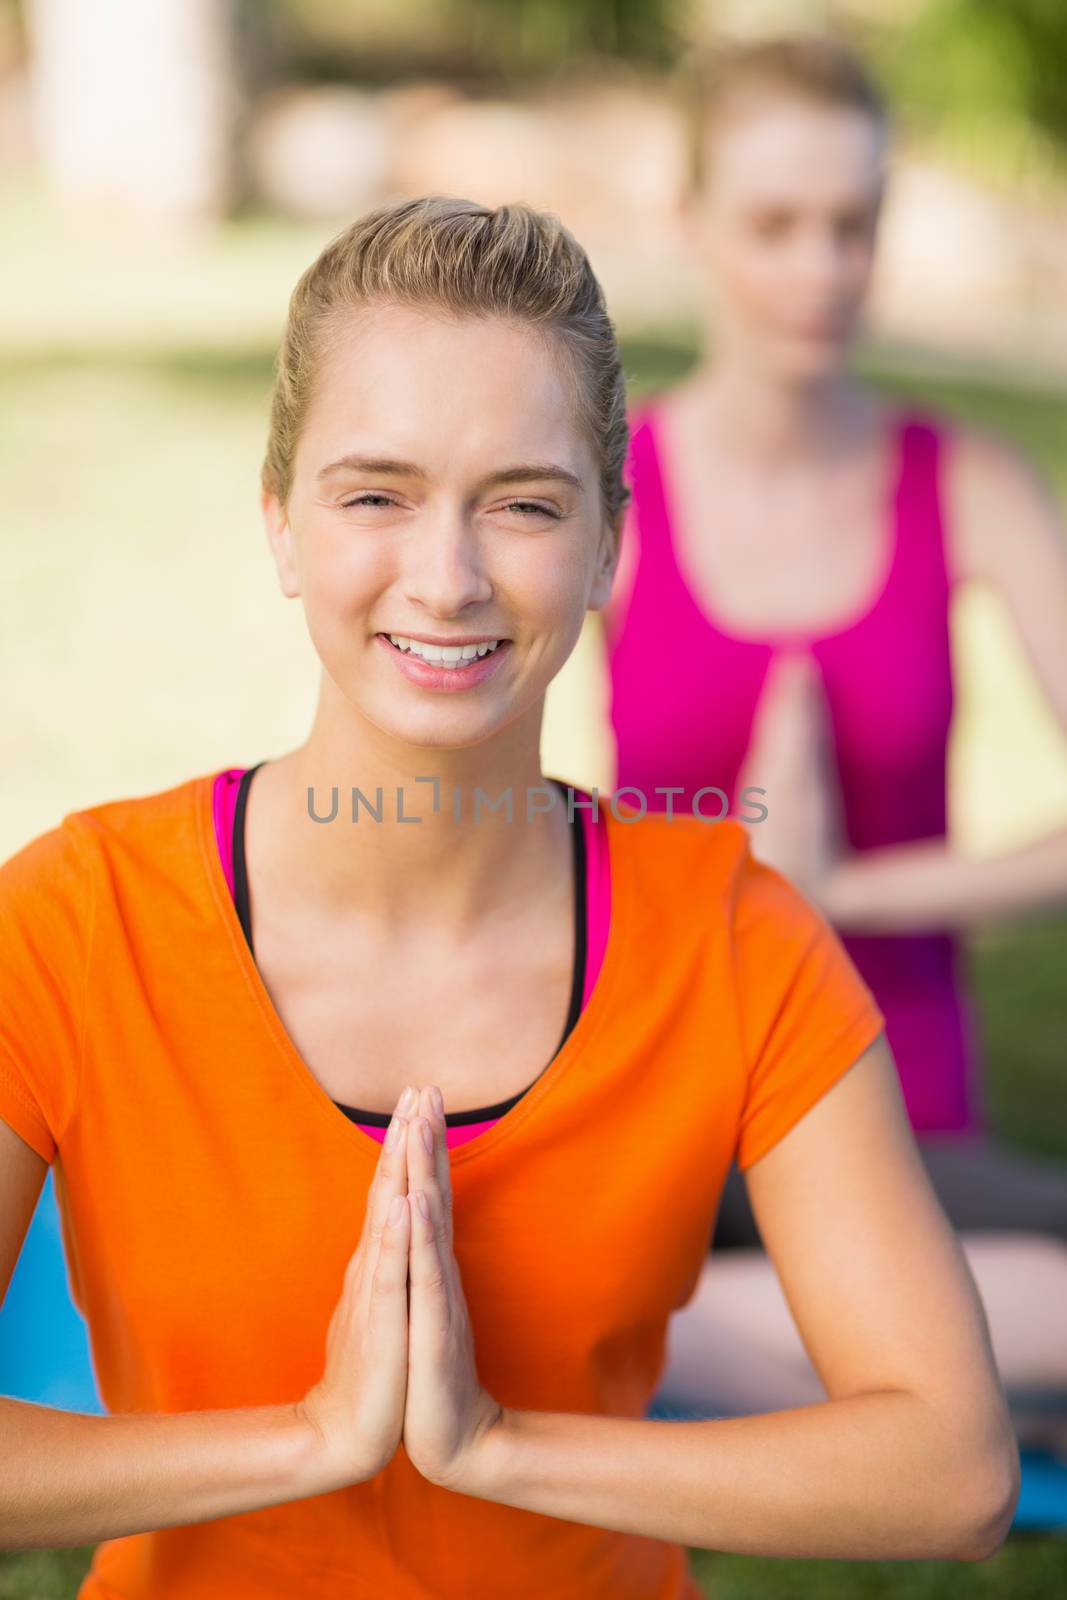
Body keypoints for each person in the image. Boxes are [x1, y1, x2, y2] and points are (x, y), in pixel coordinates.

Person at [0, 195, 1018, 1597]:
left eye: (525, 504)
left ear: (609, 548)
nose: (449, 575)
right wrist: (305, 1442)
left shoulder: (730, 935)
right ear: (282, 526)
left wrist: (494, 1447)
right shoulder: (74, 917)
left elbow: (954, 1471)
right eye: (376, 494)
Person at [600, 36, 1067, 1447]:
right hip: (664, 1091)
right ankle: (911, 1382)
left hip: (898, 1099)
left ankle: (646, 1354)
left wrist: (839, 892)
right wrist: (732, 880)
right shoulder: (606, 492)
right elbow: (507, 826)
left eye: (853, 226)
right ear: (690, 229)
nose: (821, 270)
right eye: (774, 226)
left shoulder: (970, 484)